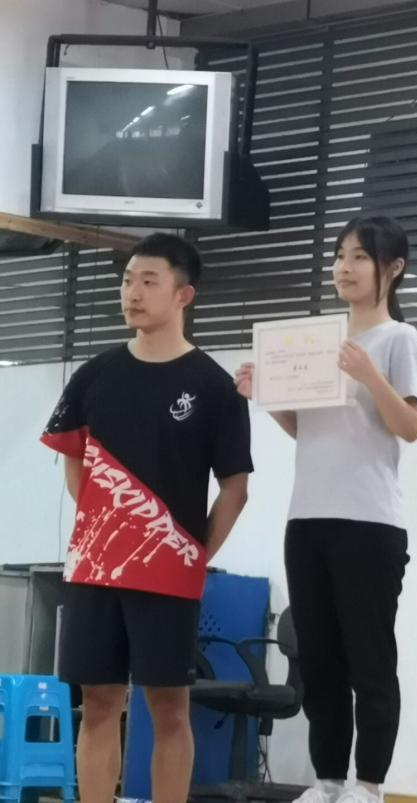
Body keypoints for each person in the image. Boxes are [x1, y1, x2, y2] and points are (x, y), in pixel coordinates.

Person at [41, 232, 252, 803]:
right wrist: (106, 529)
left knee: (169, 706)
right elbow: (75, 461)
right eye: (127, 280)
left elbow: (235, 488)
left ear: (184, 295)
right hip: (95, 569)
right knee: (99, 702)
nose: (132, 292)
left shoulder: (214, 386)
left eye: (148, 281)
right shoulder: (95, 374)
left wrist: (192, 555)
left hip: (169, 574)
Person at [235, 216, 417, 803]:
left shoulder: (399, 339)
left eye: (360, 256)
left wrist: (370, 375)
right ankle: (328, 781)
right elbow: (309, 431)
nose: (345, 267)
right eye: (340, 255)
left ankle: (369, 784)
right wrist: (267, 397)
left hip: (370, 522)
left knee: (370, 660)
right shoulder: (318, 342)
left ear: (393, 268)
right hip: (308, 519)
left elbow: (410, 425)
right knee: (319, 661)